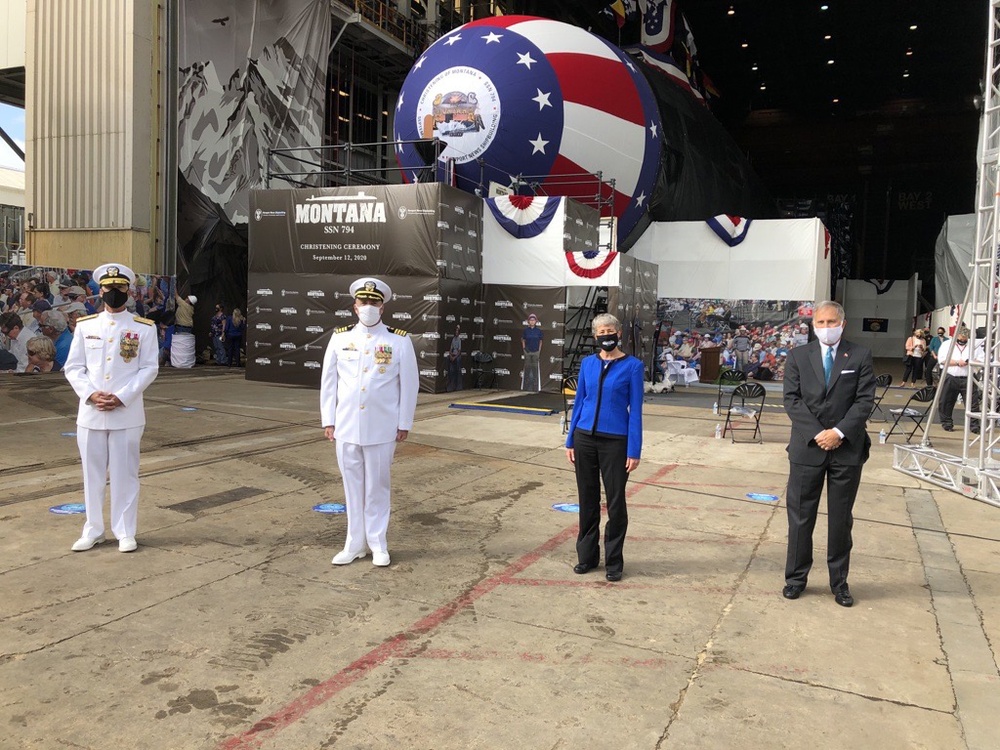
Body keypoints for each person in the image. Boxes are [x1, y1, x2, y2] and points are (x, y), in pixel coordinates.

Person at [782, 300, 875, 607]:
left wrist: (838, 432)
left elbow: (864, 401)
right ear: (813, 325)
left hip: (846, 450)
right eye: (820, 323)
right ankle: (796, 579)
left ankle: (839, 583)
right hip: (807, 448)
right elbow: (792, 400)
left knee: (840, 520)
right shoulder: (798, 356)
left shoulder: (859, 355)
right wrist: (817, 433)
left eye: (831, 322)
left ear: (842, 324)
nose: (826, 327)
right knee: (800, 518)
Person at [320, 277, 419, 568]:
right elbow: (329, 382)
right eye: (363, 302)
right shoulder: (340, 338)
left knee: (377, 487)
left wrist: (404, 422)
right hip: (346, 425)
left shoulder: (398, 340)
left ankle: (378, 544)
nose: (368, 306)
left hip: (382, 427)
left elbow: (409, 384)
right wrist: (329, 420)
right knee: (352, 489)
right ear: (355, 306)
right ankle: (354, 544)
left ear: (382, 307)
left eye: (374, 302)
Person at [63, 263, 159, 553]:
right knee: (91, 476)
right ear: (100, 290)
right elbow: (74, 367)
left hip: (126, 413)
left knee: (125, 475)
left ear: (128, 291)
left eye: (120, 287)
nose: (114, 292)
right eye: (109, 287)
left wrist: (121, 397)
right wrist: (91, 394)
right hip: (91, 413)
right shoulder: (86, 325)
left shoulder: (143, 328)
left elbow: (149, 368)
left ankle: (125, 531)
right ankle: (93, 530)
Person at [564, 313, 644, 582]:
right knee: (587, 499)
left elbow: (636, 411)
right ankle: (587, 557)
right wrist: (570, 439)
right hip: (585, 438)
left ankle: (614, 562)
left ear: (618, 333)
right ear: (595, 336)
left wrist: (634, 449)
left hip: (616, 442)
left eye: (610, 330)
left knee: (616, 502)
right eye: (601, 332)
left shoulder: (633, 366)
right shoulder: (588, 364)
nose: (606, 335)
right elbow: (579, 402)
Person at [938, 328, 980, 434]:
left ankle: (974, 425)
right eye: (961, 338)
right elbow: (942, 360)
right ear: (956, 336)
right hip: (951, 376)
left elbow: (982, 359)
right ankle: (947, 423)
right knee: (946, 401)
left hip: (968, 377)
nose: (962, 341)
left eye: (965, 339)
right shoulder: (947, 344)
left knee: (972, 403)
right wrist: (957, 362)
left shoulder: (975, 345)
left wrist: (971, 362)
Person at [170, 292, 196, 368]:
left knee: (180, 344)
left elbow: (176, 295)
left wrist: (174, 286)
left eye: (187, 298)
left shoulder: (183, 304)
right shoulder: (191, 308)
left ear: (189, 300)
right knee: (186, 346)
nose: (186, 298)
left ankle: (179, 361)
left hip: (181, 326)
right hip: (188, 327)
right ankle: (185, 361)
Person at [521, 313, 543, 391]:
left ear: (536, 321)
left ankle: (535, 386)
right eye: (531, 320)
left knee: (535, 369)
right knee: (527, 368)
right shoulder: (526, 331)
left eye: (533, 320)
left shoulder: (539, 331)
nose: (532, 321)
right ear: (528, 321)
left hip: (536, 352)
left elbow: (540, 341)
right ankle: (526, 386)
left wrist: (539, 350)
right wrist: (524, 349)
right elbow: (523, 340)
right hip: (527, 352)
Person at [446, 325, 463, 392]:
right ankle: (450, 385)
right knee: (448, 359)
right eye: (455, 331)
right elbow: (450, 349)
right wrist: (451, 356)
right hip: (453, 354)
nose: (456, 333)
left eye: (457, 331)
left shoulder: (459, 339)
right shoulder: (453, 339)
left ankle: (459, 386)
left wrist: (455, 357)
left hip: (457, 355)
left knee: (458, 361)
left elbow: (459, 351)